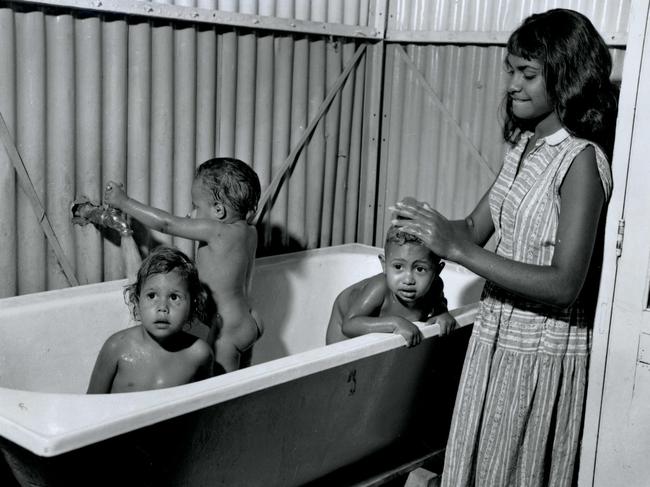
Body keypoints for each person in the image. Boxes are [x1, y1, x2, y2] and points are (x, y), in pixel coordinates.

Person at [391, 9, 618, 487]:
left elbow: (564, 284)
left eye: (528, 74)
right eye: (510, 71)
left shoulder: (580, 162)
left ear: (567, 78)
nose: (512, 85)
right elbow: (473, 228)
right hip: (496, 334)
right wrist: (427, 228)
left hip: (539, 348)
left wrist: (457, 248)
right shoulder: (524, 149)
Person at [104, 157, 262, 375]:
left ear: (218, 211)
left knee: (221, 392)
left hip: (226, 330)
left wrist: (124, 202)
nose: (191, 213)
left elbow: (166, 223)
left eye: (195, 206)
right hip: (249, 321)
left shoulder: (216, 231)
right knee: (244, 379)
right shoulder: (250, 232)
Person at [87, 246, 214, 393]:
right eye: (152, 296)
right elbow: (90, 404)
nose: (162, 307)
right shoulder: (117, 347)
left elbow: (205, 409)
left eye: (174, 297)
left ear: (193, 306)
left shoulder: (199, 354)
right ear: (137, 301)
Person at [325, 225, 457, 347]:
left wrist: (442, 313)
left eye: (420, 269)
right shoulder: (379, 288)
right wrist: (394, 323)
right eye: (398, 267)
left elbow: (438, 304)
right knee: (343, 367)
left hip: (376, 332)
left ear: (437, 271)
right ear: (384, 265)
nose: (408, 279)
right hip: (345, 322)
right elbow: (349, 325)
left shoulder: (435, 286)